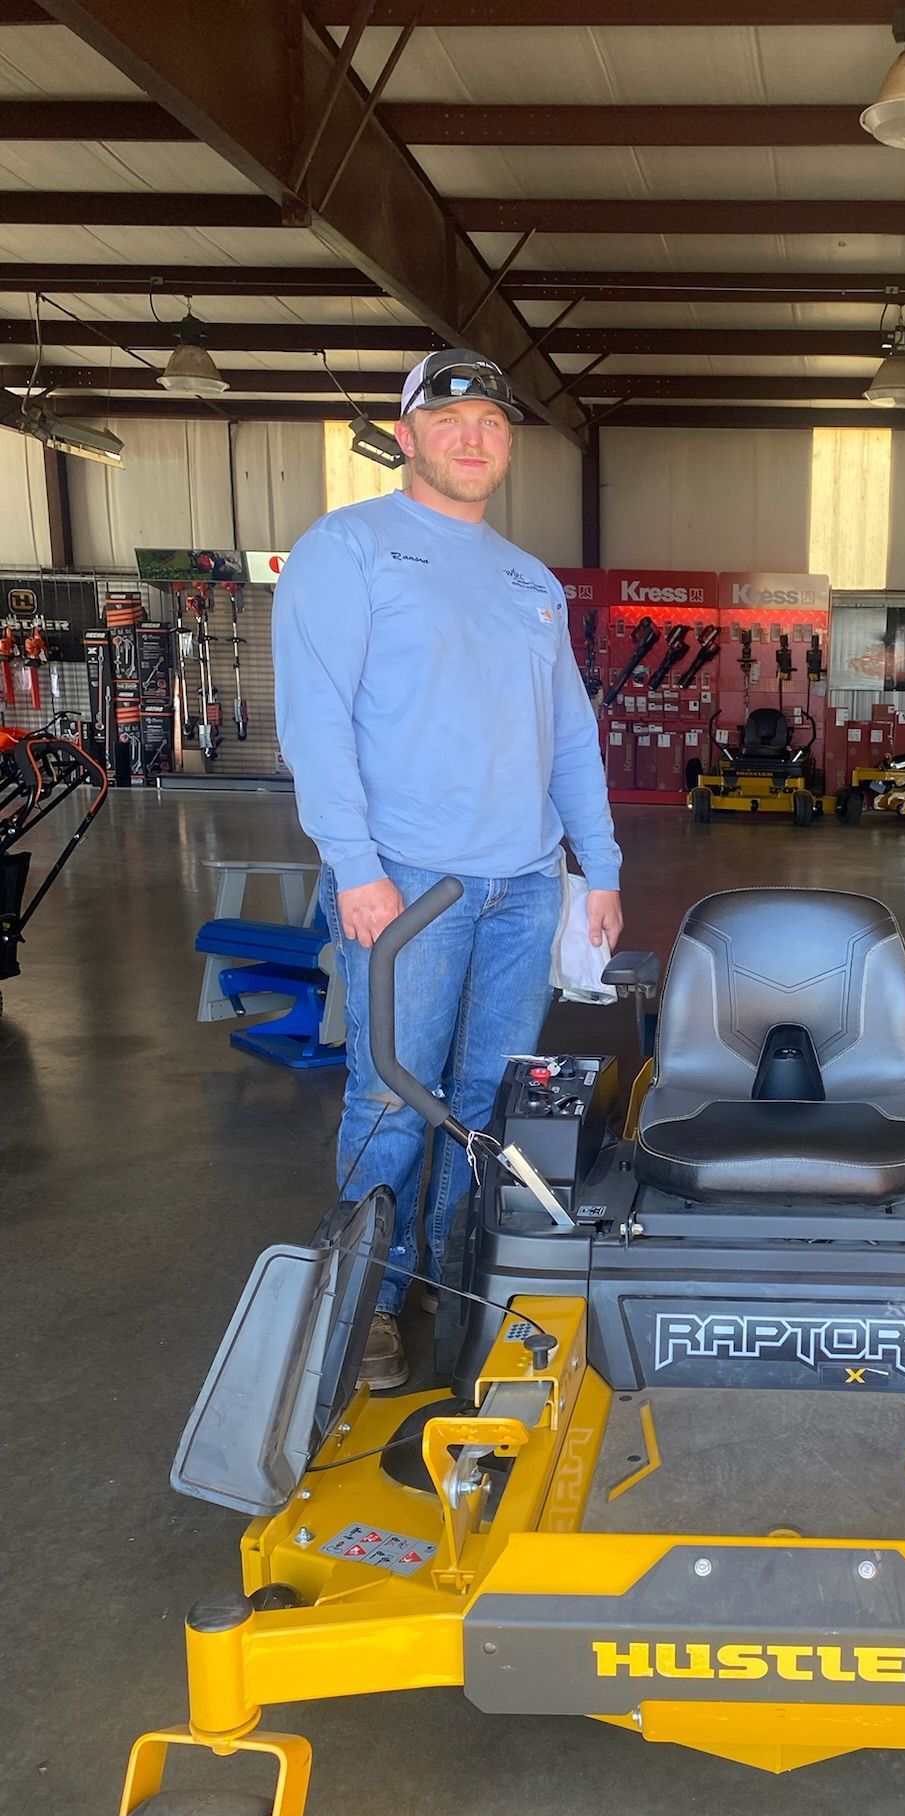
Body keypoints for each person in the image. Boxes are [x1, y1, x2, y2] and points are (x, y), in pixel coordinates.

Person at [274, 348, 622, 1386]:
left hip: (523, 887)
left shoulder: (528, 580)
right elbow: (316, 720)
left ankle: (449, 1272)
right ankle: (368, 1300)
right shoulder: (351, 549)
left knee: (485, 1100)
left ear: (507, 442)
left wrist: (594, 865)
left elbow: (569, 732)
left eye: (492, 421)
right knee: (391, 1096)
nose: (473, 435)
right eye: (451, 416)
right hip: (408, 886)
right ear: (412, 432)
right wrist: (354, 866)